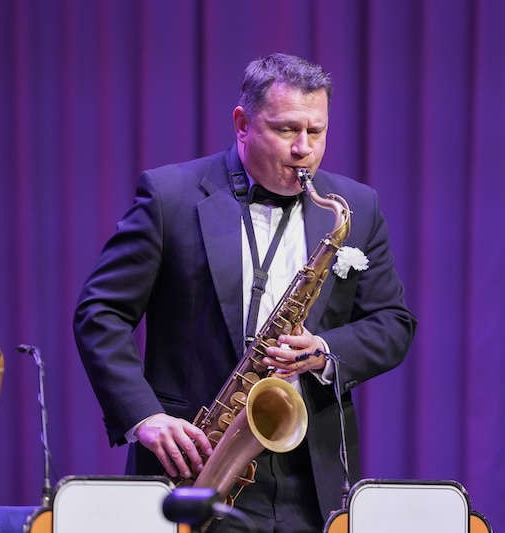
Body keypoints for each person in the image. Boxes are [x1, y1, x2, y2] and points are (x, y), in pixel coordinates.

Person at [74, 52, 416, 532]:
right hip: (195, 465)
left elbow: (392, 323)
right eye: (285, 130)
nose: (304, 150)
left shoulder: (356, 206)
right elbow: (101, 312)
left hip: (313, 477)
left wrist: (324, 349)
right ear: (242, 123)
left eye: (315, 132)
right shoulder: (170, 196)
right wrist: (145, 416)